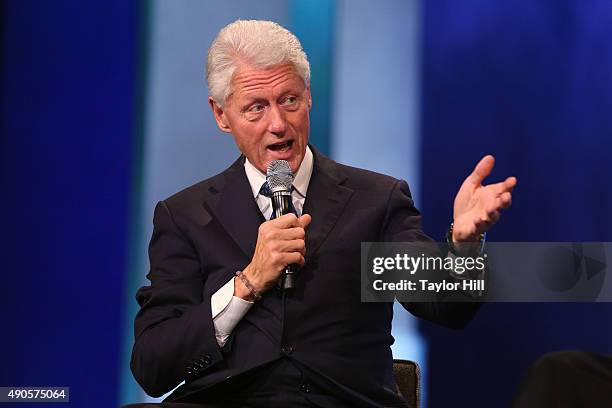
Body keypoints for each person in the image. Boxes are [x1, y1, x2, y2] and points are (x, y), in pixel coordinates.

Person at [128, 20, 516, 407]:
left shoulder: (374, 200)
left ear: (309, 96)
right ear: (222, 115)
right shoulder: (186, 216)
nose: (278, 124)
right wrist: (247, 283)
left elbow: (443, 307)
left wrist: (463, 245)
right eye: (256, 108)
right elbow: (153, 365)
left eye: (289, 100)